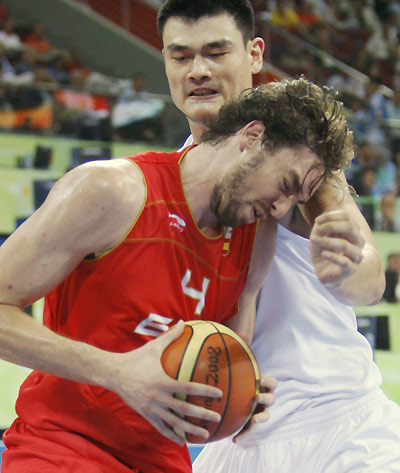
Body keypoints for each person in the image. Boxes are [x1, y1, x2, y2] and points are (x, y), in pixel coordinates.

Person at [0, 78, 352, 472]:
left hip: (165, 460)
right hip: (63, 448)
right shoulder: (113, 190)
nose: (281, 208)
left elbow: (225, 357)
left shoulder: (255, 239)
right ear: (252, 136)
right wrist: (116, 372)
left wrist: (238, 399)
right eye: (285, 185)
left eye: (295, 200)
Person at [155, 0, 400, 471]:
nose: (198, 70)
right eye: (181, 56)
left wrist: (345, 269)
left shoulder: (294, 153)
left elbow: (371, 278)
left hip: (338, 425)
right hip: (238, 433)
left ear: (254, 54)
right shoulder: (166, 182)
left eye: (216, 52)